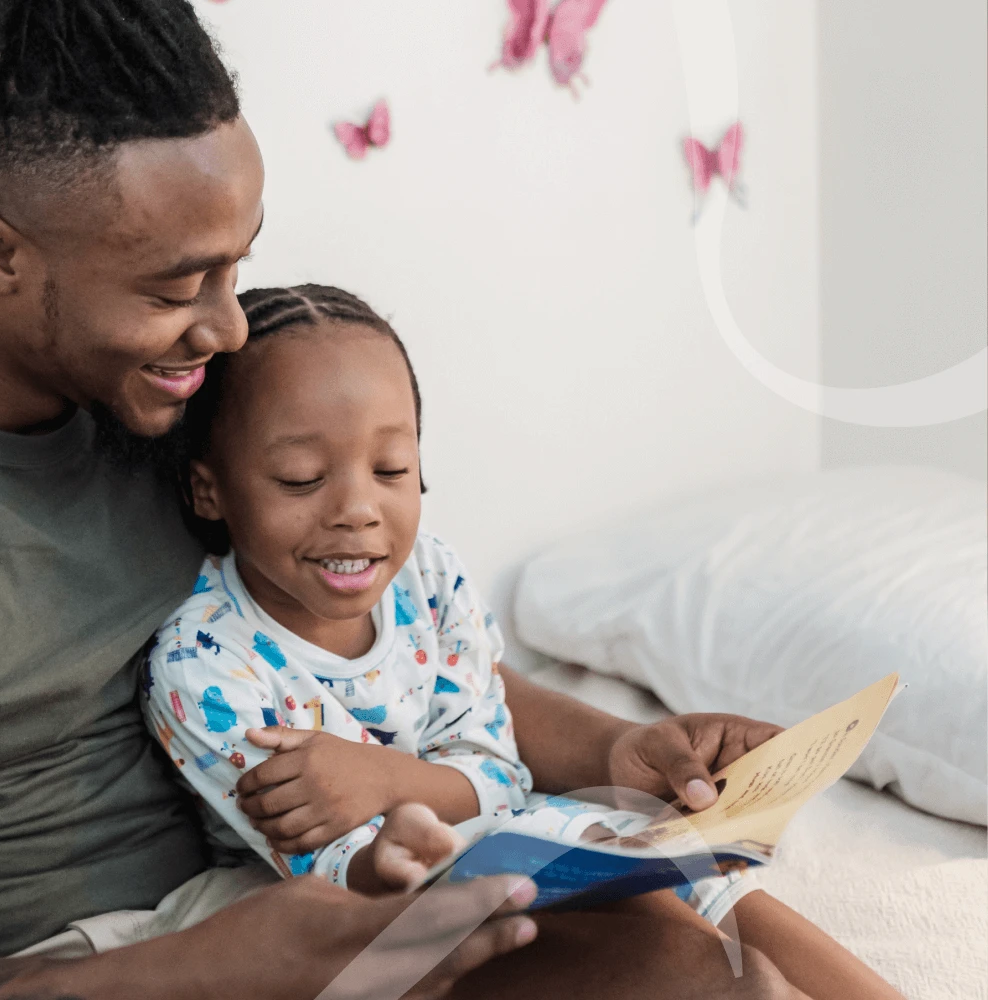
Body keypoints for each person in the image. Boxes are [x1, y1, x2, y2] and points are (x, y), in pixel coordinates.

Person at [0, 2, 808, 998]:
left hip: (282, 904)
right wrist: (195, 974)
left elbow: (380, 649)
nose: (226, 326)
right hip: (36, 974)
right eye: (178, 284)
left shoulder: (181, 394)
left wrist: (617, 751)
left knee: (672, 962)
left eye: (240, 263)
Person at [145, 283, 907, 1000]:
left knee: (676, 858)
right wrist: (420, 808)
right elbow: (340, 878)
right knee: (630, 897)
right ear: (209, 488)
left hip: (508, 846)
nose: (357, 510)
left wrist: (384, 779)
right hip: (382, 913)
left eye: (391, 468)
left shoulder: (429, 579)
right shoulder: (205, 665)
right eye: (302, 478)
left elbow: (498, 767)